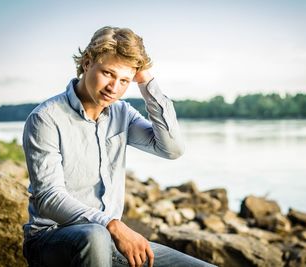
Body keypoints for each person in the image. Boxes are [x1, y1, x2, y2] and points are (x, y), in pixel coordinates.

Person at [22, 26, 215, 267]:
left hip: (110, 242)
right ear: (87, 62)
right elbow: (48, 197)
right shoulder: (45, 118)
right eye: (108, 73)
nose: (114, 87)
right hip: (52, 240)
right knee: (95, 235)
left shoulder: (121, 113)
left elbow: (172, 148)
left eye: (125, 80)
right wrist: (111, 225)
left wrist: (146, 81)